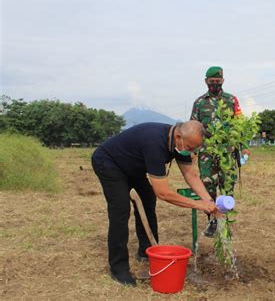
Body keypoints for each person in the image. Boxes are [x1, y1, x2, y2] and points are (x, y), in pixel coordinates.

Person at [91, 120, 217, 286]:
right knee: (120, 211)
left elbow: (191, 175)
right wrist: (198, 205)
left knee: (147, 201)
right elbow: (163, 193)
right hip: (109, 162)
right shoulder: (155, 143)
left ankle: (147, 251)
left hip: (134, 165)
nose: (192, 153)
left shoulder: (179, 143)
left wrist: (208, 202)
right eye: (190, 147)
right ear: (178, 136)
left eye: (195, 149)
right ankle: (118, 268)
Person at [190, 66, 249, 237]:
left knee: (227, 186)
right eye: (211, 82)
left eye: (217, 82)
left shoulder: (231, 100)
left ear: (222, 81)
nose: (214, 84)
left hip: (227, 151)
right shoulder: (200, 103)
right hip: (207, 152)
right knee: (208, 186)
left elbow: (239, 125)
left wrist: (244, 145)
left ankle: (226, 223)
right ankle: (212, 221)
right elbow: (194, 127)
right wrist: (192, 150)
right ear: (206, 82)